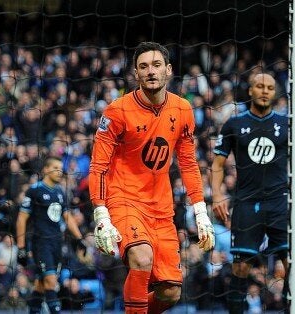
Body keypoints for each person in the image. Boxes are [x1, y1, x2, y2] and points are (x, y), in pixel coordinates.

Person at [88, 41, 215, 314]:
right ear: (136, 73)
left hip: (161, 209)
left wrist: (200, 211)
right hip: (123, 200)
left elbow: (189, 163)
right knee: (142, 258)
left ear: (168, 70)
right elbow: (98, 165)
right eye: (144, 66)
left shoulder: (182, 110)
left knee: (170, 292)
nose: (151, 71)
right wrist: (101, 213)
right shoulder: (117, 111)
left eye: (156, 65)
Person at [211, 72, 288, 314]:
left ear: (274, 92)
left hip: (279, 202)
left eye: (269, 87)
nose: (265, 90)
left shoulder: (287, 124)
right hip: (246, 203)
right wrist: (216, 195)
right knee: (240, 266)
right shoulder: (234, 124)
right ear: (251, 91)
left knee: (290, 264)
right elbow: (217, 164)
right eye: (260, 86)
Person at [16, 156, 86, 314]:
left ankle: (33, 311)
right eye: (55, 168)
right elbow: (22, 219)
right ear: (46, 170)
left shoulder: (60, 192)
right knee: (51, 281)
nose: (59, 172)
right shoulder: (35, 190)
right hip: (41, 243)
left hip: (57, 244)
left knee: (41, 284)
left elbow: (67, 216)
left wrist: (79, 238)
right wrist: (21, 247)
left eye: (61, 169)